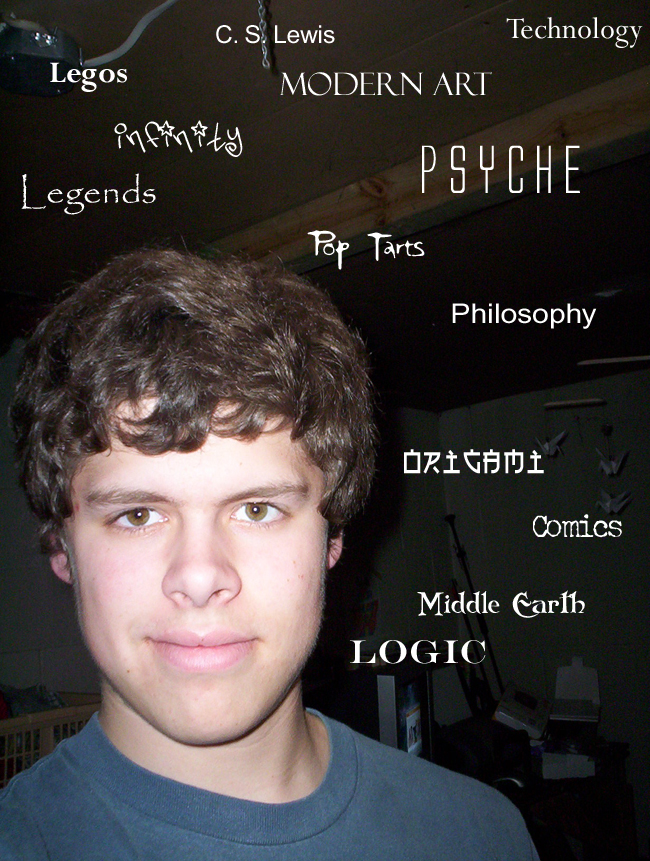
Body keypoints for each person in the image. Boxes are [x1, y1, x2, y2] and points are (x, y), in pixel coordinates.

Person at [1, 249, 539, 859]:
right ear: (60, 546)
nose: (199, 577)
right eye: (138, 515)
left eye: (258, 510)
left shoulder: (481, 835)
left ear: (332, 538)